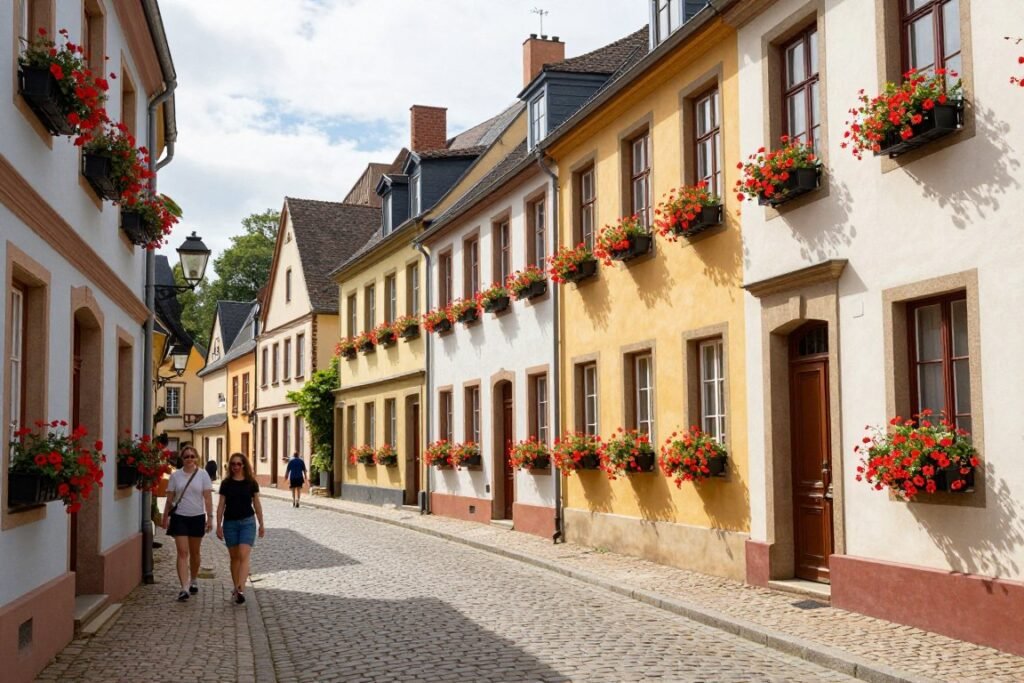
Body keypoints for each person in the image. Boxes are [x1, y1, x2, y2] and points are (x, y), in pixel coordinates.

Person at [161, 445, 213, 602]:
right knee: (183, 553)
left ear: (196, 458)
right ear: (181, 459)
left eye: (192, 456)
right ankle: (184, 588)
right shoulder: (176, 476)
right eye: (186, 457)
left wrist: (210, 518)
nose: (189, 459)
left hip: (197, 517)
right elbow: (170, 499)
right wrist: (165, 517)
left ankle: (194, 579)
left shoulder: (203, 475)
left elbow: (208, 498)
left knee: (195, 553)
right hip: (180, 517)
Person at [216, 452, 264, 605]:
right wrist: (218, 525)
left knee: (243, 554)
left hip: (247, 522)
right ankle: (236, 588)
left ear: (244, 465)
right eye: (233, 464)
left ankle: (241, 588)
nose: (236, 466)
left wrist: (261, 523)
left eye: (238, 464)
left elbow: (257, 504)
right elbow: (221, 505)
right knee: (234, 557)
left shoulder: (251, 483)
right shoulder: (226, 484)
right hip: (230, 523)